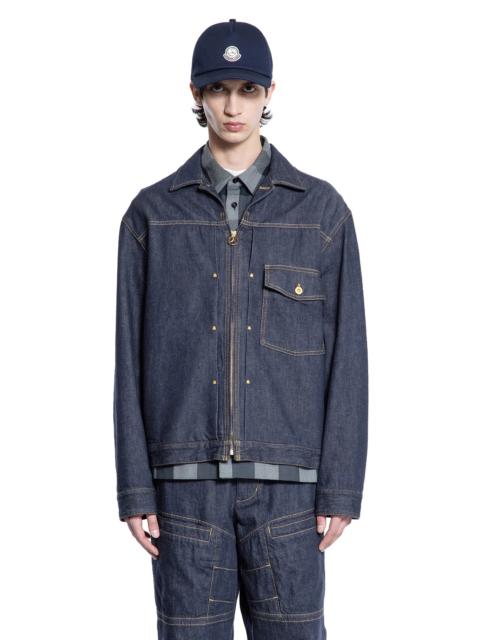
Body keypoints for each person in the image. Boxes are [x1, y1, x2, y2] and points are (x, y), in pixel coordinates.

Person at [113, 18, 369, 640]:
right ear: (196, 94)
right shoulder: (152, 215)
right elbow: (128, 359)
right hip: (184, 496)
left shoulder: (321, 213)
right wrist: (134, 487)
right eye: (218, 89)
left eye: (248, 90)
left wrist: (341, 488)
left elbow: (350, 358)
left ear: (269, 93)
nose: (233, 107)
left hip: (291, 501)